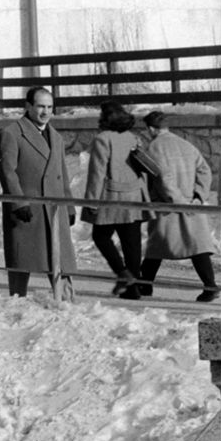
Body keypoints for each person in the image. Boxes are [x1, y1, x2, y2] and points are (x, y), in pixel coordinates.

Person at [0, 85, 76, 298]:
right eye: (40, 106)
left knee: (60, 261)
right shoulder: (12, 134)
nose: (45, 112)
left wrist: (69, 206)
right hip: (28, 211)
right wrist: (19, 202)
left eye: (49, 107)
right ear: (28, 106)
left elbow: (62, 173)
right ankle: (17, 304)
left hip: (54, 209)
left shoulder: (55, 136)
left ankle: (66, 302)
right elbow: (8, 173)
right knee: (23, 261)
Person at [129, 112, 219, 301]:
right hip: (191, 205)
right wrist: (198, 196)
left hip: (170, 207)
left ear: (151, 129)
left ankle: (145, 286)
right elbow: (205, 171)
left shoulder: (155, 148)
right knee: (197, 247)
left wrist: (179, 202)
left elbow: (164, 180)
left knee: (156, 246)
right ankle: (210, 286)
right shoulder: (186, 144)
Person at [81, 102, 149, 297]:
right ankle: (133, 288)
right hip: (134, 194)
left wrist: (92, 202)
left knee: (100, 236)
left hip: (112, 196)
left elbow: (97, 173)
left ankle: (123, 273)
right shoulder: (132, 137)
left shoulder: (102, 139)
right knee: (131, 242)